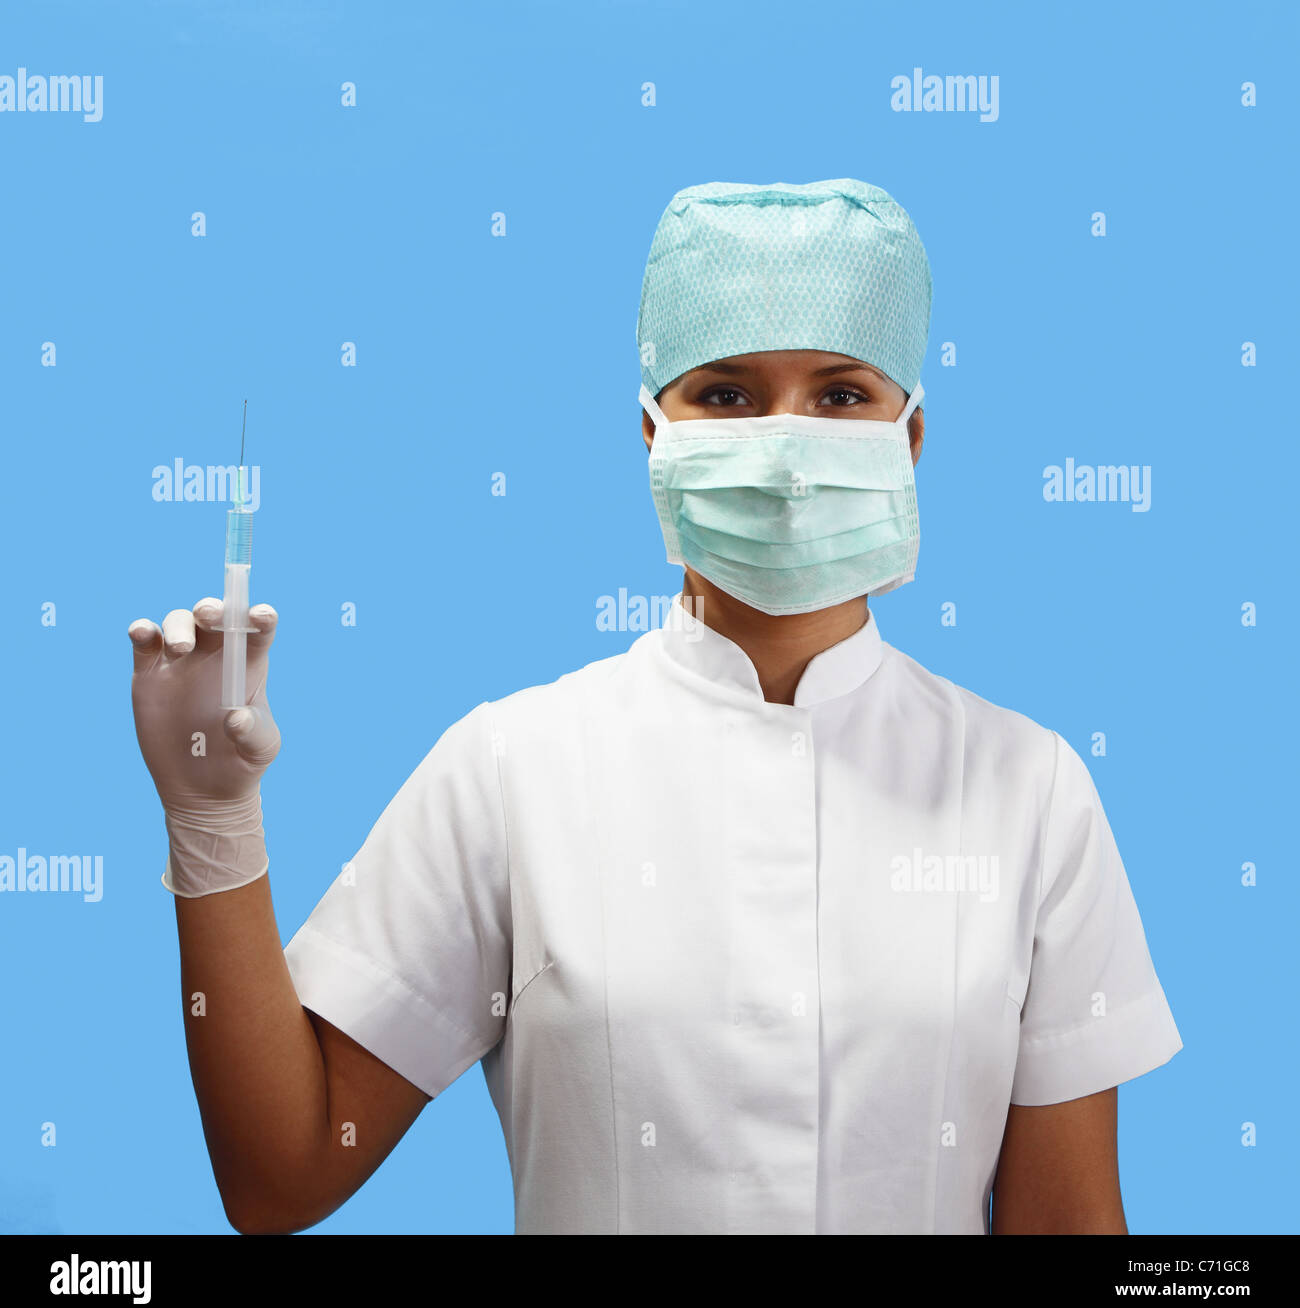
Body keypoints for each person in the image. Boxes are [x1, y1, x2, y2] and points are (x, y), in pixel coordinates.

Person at [129, 178, 1182, 1235]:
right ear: (651, 434)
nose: (783, 448)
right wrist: (212, 821)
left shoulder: (1027, 788)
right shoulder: (514, 768)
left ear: (908, 437)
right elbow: (282, 1174)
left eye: (840, 395)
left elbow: (1069, 1225)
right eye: (724, 395)